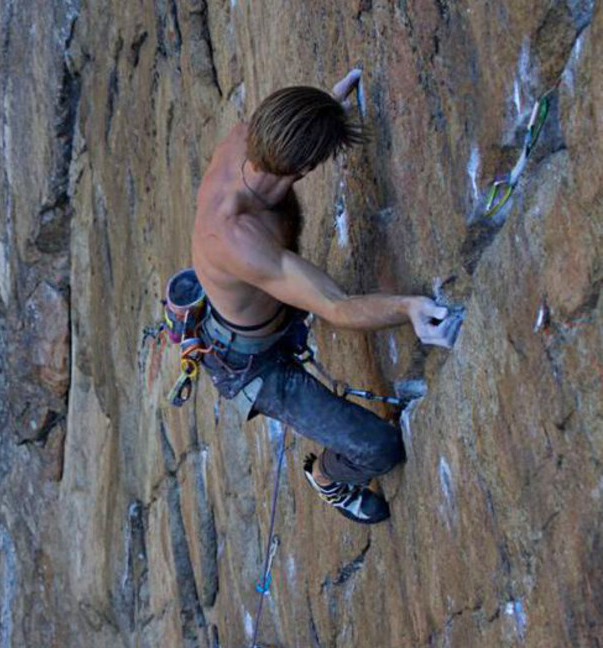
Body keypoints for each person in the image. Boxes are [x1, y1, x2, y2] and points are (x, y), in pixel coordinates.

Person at [190, 69, 458, 524]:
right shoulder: (237, 237)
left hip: (261, 304)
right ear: (304, 168)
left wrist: (324, 111)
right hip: (255, 364)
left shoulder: (252, 139)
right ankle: (330, 479)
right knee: (379, 448)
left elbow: (286, 131)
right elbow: (335, 307)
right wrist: (408, 307)